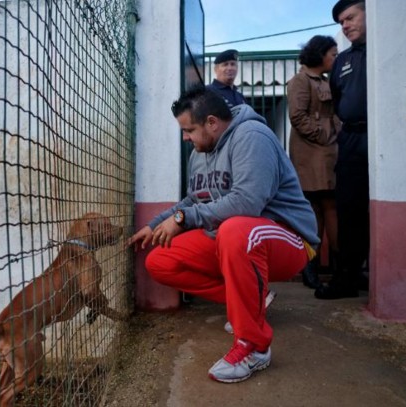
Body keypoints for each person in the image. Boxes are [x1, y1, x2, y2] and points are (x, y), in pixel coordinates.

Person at [127, 86, 319, 383]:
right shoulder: (199, 153)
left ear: (212, 122)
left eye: (189, 129)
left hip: (287, 237)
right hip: (236, 240)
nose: (185, 138)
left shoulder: (252, 137)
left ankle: (253, 346)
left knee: (233, 229)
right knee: (160, 261)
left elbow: (247, 202)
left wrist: (184, 219)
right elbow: (193, 201)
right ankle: (254, 299)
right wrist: (155, 224)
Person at [315, 0, 369, 300]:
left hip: (385, 136)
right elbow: (338, 99)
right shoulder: (343, 61)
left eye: (349, 18)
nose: (345, 26)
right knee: (349, 208)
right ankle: (348, 277)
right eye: (341, 22)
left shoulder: (388, 49)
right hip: (351, 139)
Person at [287, 35, 341, 289]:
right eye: (332, 53)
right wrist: (324, 134)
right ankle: (311, 265)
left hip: (326, 150)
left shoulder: (326, 80)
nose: (335, 58)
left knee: (329, 204)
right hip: (310, 152)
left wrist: (332, 133)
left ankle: (336, 266)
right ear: (320, 54)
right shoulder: (300, 80)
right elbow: (297, 116)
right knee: (316, 208)